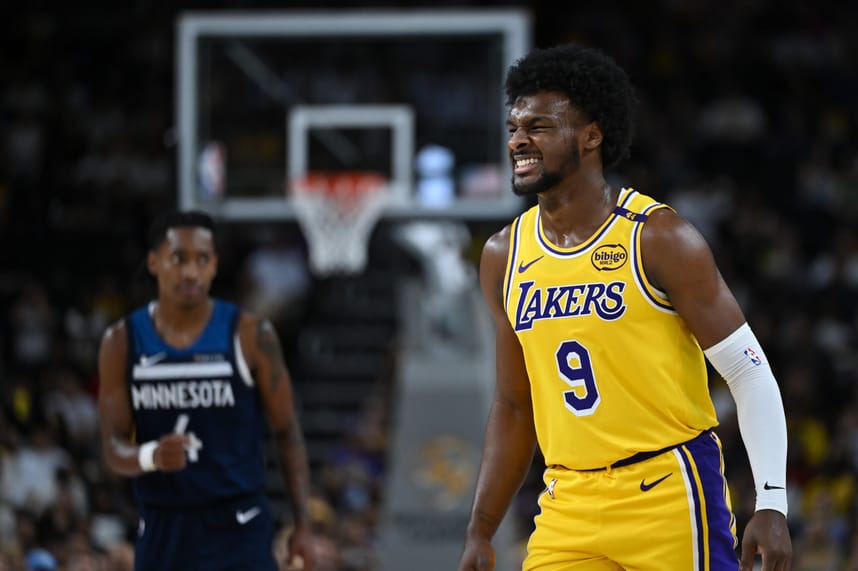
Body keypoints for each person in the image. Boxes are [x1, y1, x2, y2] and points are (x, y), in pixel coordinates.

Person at [457, 44, 792, 571]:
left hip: (669, 491)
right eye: (513, 127)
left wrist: (772, 502)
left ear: (592, 135)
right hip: (567, 500)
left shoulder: (661, 238)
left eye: (539, 127)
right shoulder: (503, 255)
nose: (518, 140)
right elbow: (514, 405)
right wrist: (481, 528)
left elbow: (750, 376)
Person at [97, 210, 315, 571]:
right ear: (154, 262)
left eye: (202, 260)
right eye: (178, 259)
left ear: (215, 265)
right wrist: (152, 455)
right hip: (165, 525)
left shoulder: (251, 335)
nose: (191, 272)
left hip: (239, 523)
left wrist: (303, 524)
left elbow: (287, 431)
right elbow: (113, 448)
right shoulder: (121, 342)